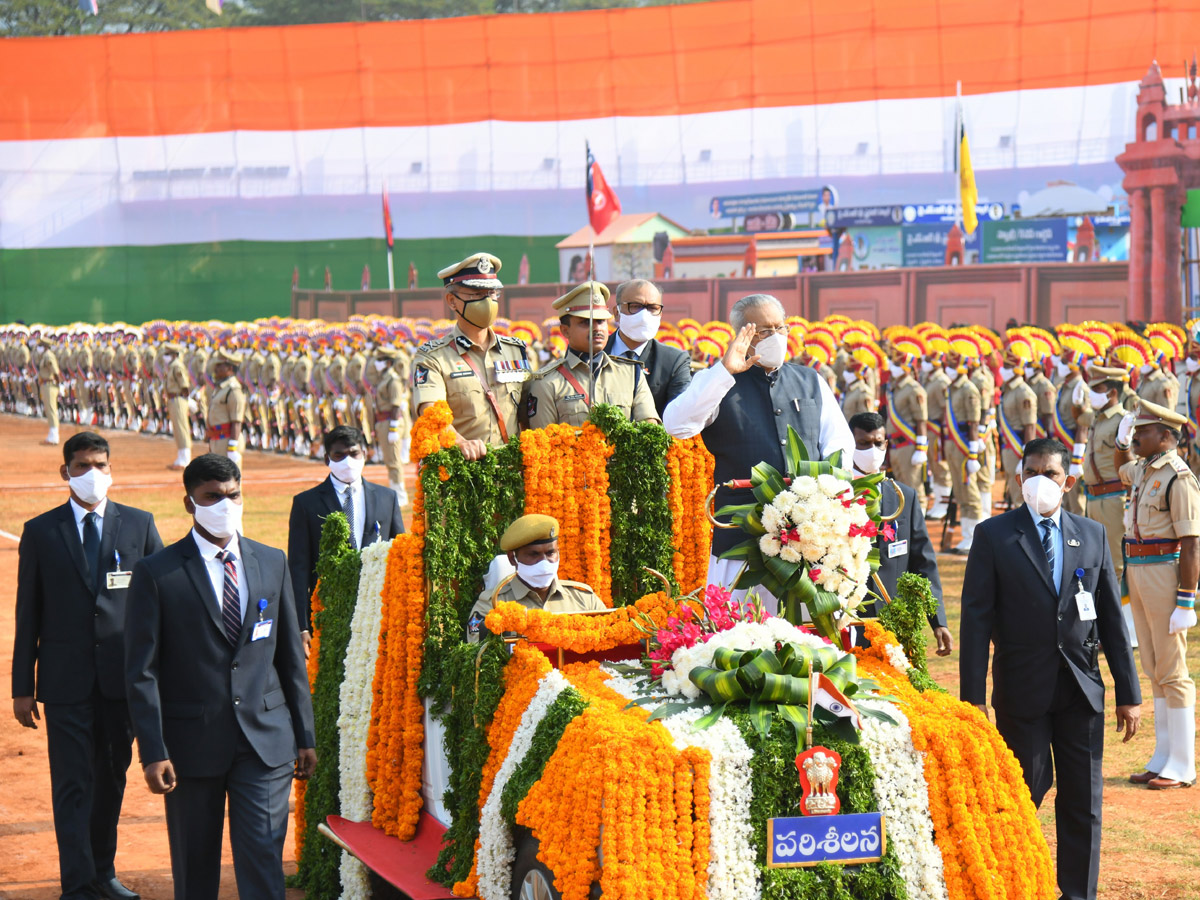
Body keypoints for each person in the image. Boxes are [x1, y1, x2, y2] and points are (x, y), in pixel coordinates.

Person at [124, 454, 316, 900]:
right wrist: (153, 751)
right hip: (190, 746)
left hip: (264, 743)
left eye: (233, 495)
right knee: (195, 868)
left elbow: (289, 657)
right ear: (190, 503)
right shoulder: (158, 573)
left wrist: (304, 735)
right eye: (212, 497)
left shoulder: (272, 562)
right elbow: (141, 671)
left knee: (264, 859)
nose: (224, 504)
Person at [960, 437, 1141, 900]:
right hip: (1023, 690)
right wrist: (972, 698)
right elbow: (976, 619)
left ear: (1069, 481)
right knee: (1024, 793)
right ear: (1020, 478)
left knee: (1083, 801)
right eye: (1033, 472)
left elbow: (1111, 618)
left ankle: (1077, 894)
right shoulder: (994, 534)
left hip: (1081, 689)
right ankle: (1018, 886)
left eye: (1052, 474)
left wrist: (1130, 692)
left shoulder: (1092, 534)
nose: (1042, 481)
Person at [13, 431, 164, 900]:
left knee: (112, 780)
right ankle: (77, 885)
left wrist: (160, 678)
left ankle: (104, 872)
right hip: (65, 683)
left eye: (100, 464)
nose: (92, 474)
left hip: (122, 682)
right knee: (73, 784)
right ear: (65, 473)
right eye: (82, 466)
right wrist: (23, 685)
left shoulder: (139, 525)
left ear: (111, 469)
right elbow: (28, 612)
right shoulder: (41, 531)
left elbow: (162, 604)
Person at [663, 293, 854, 602]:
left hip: (807, 537)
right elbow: (677, 425)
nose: (776, 336)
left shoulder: (810, 380)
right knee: (737, 635)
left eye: (781, 327)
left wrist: (826, 498)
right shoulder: (716, 381)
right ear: (742, 334)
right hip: (741, 538)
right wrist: (724, 372)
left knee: (806, 637)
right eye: (764, 331)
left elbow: (839, 444)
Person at [1118, 399, 1198, 789]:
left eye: (1142, 431)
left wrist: (1186, 599)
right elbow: (1121, 467)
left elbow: (1192, 542)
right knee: (1152, 666)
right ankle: (1163, 755)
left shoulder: (1178, 477)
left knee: (1173, 670)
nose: (1136, 437)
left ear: (1166, 436)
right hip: (1140, 571)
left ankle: (1183, 763)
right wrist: (1121, 440)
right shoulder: (1146, 469)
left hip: (1165, 573)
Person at [287, 425, 406, 651]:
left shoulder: (386, 498)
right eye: (339, 455)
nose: (347, 461)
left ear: (364, 453)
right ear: (326, 459)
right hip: (328, 613)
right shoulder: (306, 504)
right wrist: (302, 627)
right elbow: (298, 569)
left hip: (377, 610)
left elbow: (400, 556)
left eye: (354, 454)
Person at [846, 413, 951, 655]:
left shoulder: (904, 496)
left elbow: (923, 563)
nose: (872, 450)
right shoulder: (834, 493)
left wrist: (938, 620)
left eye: (878, 443)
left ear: (886, 444)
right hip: (847, 621)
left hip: (894, 623)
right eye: (863, 444)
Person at [412, 253, 531, 460]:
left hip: (512, 475)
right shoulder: (433, 358)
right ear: (452, 301)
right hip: (466, 476)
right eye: (477, 294)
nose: (487, 301)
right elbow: (430, 411)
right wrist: (460, 442)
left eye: (492, 293)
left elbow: (530, 410)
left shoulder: (516, 351)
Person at [526, 282, 659, 429]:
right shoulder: (547, 383)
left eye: (601, 321)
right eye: (585, 322)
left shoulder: (632, 374)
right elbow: (543, 444)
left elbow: (649, 431)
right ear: (565, 331)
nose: (597, 328)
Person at [466, 514, 606, 643]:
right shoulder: (492, 605)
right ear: (512, 559)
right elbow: (478, 651)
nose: (544, 563)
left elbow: (610, 643)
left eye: (550, 553)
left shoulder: (584, 600)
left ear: (558, 552)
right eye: (534, 554)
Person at [604, 279, 692, 418]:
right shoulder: (592, 353)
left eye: (653, 308)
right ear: (617, 312)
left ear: (660, 314)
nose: (644, 315)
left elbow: (679, 416)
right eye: (635, 306)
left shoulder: (673, 361)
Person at [996, 346, 1038, 507]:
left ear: (1016, 369)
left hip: (1018, 448)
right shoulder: (1008, 389)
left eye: (1007, 367)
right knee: (1013, 490)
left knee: (1020, 494)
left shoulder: (1023, 392)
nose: (1003, 369)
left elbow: (1029, 427)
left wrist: (1027, 456)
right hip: (1008, 446)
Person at [371, 346, 409, 503]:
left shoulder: (393, 380)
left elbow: (395, 405)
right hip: (383, 422)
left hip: (390, 422)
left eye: (380, 360)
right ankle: (395, 491)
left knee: (394, 460)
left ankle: (400, 495)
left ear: (388, 363)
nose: (377, 363)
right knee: (389, 460)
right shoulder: (384, 378)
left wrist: (393, 428)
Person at [206, 349, 245, 468]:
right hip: (217, 439)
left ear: (230, 368)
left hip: (227, 441)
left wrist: (232, 447)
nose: (216, 368)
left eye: (219, 366)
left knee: (229, 482)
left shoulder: (233, 390)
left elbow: (236, 421)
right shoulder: (221, 388)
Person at [163, 342, 193, 470]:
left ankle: (185, 458)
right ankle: (181, 456)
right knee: (177, 428)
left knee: (182, 428)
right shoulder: (171, 366)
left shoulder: (177, 366)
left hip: (178, 399)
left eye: (168, 354)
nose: (166, 356)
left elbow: (184, 386)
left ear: (174, 355)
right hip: (173, 399)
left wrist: (187, 400)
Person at [38, 334, 61, 445]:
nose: (39, 347)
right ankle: (51, 434)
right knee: (49, 409)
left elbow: (55, 371)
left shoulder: (48, 355)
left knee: (51, 409)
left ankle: (54, 436)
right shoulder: (45, 355)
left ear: (45, 346)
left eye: (41, 345)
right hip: (45, 385)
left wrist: (60, 383)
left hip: (50, 385)